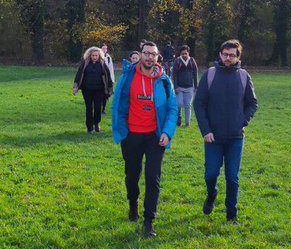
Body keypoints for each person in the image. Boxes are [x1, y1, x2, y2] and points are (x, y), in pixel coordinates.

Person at [111, 40, 178, 237]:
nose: (149, 57)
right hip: (131, 135)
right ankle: (133, 203)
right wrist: (120, 128)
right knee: (132, 175)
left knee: (153, 176)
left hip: (155, 137)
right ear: (140, 55)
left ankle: (149, 221)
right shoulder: (128, 76)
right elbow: (118, 104)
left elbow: (173, 108)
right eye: (146, 53)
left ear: (158, 57)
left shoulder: (164, 80)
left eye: (153, 54)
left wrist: (167, 132)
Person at [193, 39, 258, 223]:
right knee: (211, 174)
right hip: (212, 137)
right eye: (225, 54)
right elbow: (199, 104)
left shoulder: (244, 76)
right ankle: (211, 193)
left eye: (232, 55)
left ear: (238, 57)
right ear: (220, 54)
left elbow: (253, 103)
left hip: (235, 138)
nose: (228, 58)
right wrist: (205, 130)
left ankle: (232, 215)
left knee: (232, 177)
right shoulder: (210, 75)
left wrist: (242, 121)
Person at [73, 46, 113, 134]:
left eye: (96, 55)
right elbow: (78, 74)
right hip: (87, 90)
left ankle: (96, 123)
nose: (95, 57)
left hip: (99, 90)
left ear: (99, 56)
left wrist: (110, 89)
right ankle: (89, 127)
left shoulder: (102, 64)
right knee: (89, 108)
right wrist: (75, 87)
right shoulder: (85, 64)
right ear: (89, 55)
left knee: (98, 108)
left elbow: (108, 77)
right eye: (93, 55)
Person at [172, 45, 198, 127]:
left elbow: (195, 73)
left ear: (188, 53)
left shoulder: (192, 61)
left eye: (185, 53)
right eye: (182, 53)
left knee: (188, 106)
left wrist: (196, 86)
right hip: (179, 87)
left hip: (189, 87)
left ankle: (187, 124)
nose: (184, 55)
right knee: (179, 104)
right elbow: (174, 74)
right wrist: (175, 86)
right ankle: (178, 119)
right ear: (180, 54)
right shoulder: (177, 61)